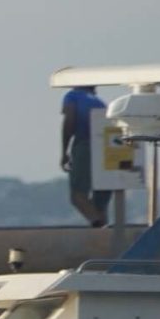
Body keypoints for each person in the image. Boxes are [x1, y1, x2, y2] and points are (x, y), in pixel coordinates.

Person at [60, 85, 110, 227]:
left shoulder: (72, 96)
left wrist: (64, 151)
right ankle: (103, 231)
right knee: (100, 199)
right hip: (106, 147)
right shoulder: (100, 102)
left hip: (85, 145)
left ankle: (98, 225)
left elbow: (69, 121)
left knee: (78, 195)